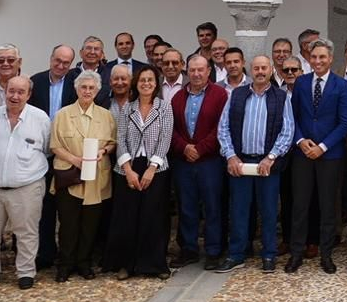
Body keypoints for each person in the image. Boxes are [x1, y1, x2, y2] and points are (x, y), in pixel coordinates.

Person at [217, 54, 295, 273]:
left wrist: (271, 158)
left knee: (269, 212)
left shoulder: (281, 97)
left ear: (271, 70)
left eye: (264, 68)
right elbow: (223, 128)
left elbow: (287, 131)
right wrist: (230, 156)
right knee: (239, 211)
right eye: (256, 68)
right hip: (240, 163)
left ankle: (269, 255)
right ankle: (236, 254)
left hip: (267, 164)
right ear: (250, 70)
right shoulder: (237, 95)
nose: (260, 72)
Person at [0, 75, 50, 290]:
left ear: (29, 94)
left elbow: (47, 148)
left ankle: (25, 272)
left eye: (20, 92)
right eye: (11, 91)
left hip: (26, 187)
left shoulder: (40, 118)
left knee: (26, 232)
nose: (15, 96)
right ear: (5, 92)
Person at [286, 37, 347, 273]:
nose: (318, 61)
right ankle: (296, 254)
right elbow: (292, 117)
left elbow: (345, 123)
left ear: (331, 59)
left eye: (322, 57)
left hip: (330, 155)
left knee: (327, 206)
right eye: (314, 57)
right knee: (300, 206)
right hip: (302, 154)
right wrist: (302, 141)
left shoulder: (340, 86)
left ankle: (326, 255)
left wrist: (322, 146)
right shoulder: (302, 83)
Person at [105, 65, 174, 280]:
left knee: (153, 217)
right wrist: (128, 170)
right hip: (129, 167)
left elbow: (165, 139)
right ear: (137, 83)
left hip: (156, 168)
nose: (146, 84)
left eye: (150, 80)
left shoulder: (164, 108)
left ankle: (154, 264)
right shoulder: (128, 108)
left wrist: (152, 168)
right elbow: (121, 139)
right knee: (127, 217)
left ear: (156, 84)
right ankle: (127, 264)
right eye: (142, 80)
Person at [49, 70, 117, 281]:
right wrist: (74, 159)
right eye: (83, 87)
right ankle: (65, 264)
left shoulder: (106, 116)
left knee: (90, 223)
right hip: (70, 175)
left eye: (91, 88)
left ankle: (84, 262)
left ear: (97, 90)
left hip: (96, 177)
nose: (87, 91)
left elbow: (112, 143)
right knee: (68, 223)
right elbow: (55, 145)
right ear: (76, 89)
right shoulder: (62, 115)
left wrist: (103, 151)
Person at [173, 54, 230, 269]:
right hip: (184, 161)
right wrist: (185, 148)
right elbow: (173, 130)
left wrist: (201, 149)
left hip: (210, 161)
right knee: (186, 207)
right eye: (192, 70)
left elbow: (221, 127)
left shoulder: (220, 94)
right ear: (186, 71)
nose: (196, 74)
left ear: (208, 71)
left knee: (213, 206)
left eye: (201, 70)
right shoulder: (178, 97)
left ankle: (214, 250)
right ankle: (189, 249)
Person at [29, 43, 77, 268]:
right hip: (40, 154)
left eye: (66, 62)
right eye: (57, 60)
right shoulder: (35, 82)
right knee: (43, 207)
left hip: (67, 155)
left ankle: (67, 254)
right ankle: (45, 254)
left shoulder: (76, 83)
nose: (61, 65)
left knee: (66, 207)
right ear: (50, 58)